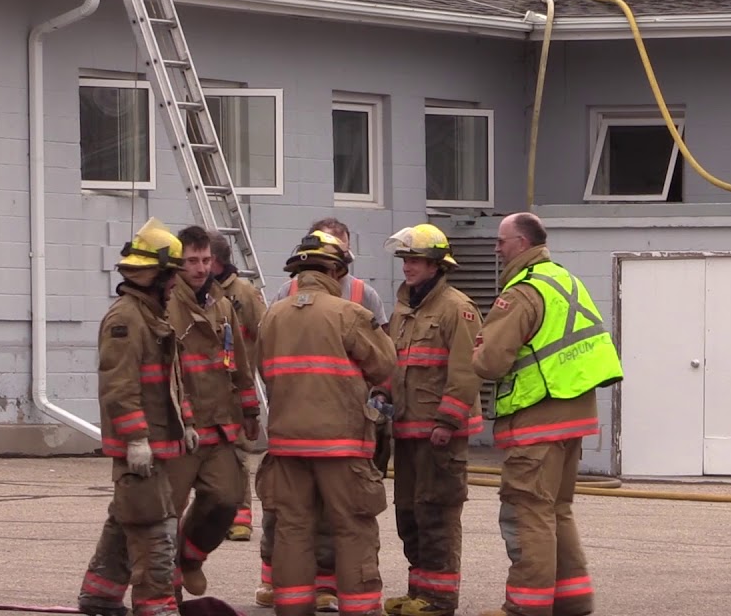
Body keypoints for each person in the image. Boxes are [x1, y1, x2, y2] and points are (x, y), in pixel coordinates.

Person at [471, 213, 624, 616]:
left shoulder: (523, 291)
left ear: (521, 243)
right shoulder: (565, 280)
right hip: (573, 415)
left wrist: (476, 350)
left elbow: (491, 361)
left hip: (536, 419)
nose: (496, 249)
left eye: (501, 241)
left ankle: (527, 606)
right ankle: (572, 600)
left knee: (529, 512)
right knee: (557, 510)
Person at [254, 230, 398, 616]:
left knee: (292, 529)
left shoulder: (272, 316)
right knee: (353, 527)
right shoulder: (349, 314)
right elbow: (385, 365)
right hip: (342, 445)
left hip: (287, 445)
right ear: (335, 271)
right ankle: (359, 608)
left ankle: (292, 608)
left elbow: (263, 369)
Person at [78, 218, 195, 616]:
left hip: (157, 441)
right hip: (142, 446)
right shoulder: (126, 320)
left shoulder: (151, 316)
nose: (177, 283)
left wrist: (186, 422)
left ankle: (100, 596)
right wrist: (135, 439)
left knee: (126, 518)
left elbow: (170, 378)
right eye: (172, 275)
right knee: (153, 528)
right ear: (156, 277)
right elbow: (119, 385)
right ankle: (156, 606)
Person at [380, 224, 483, 616]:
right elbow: (394, 364)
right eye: (405, 259)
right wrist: (382, 395)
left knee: (437, 514)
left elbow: (466, 371)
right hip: (407, 431)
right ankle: (419, 591)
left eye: (417, 260)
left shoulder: (458, 309)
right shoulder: (403, 309)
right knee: (410, 514)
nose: (408, 266)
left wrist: (447, 421)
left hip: (440, 436)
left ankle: (439, 600)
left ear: (437, 265)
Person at [164, 225, 258, 596]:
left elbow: (239, 362)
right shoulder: (166, 305)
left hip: (219, 424)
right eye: (192, 261)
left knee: (226, 500)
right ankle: (165, 589)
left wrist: (250, 409)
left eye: (205, 260)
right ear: (177, 264)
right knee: (167, 511)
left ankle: (190, 557)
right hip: (179, 428)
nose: (201, 268)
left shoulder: (221, 304)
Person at [208, 232, 268, 543]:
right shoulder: (194, 293)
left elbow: (265, 337)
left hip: (234, 389)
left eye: (204, 259)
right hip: (203, 390)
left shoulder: (244, 295)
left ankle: (241, 517)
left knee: (238, 453)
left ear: (216, 261)